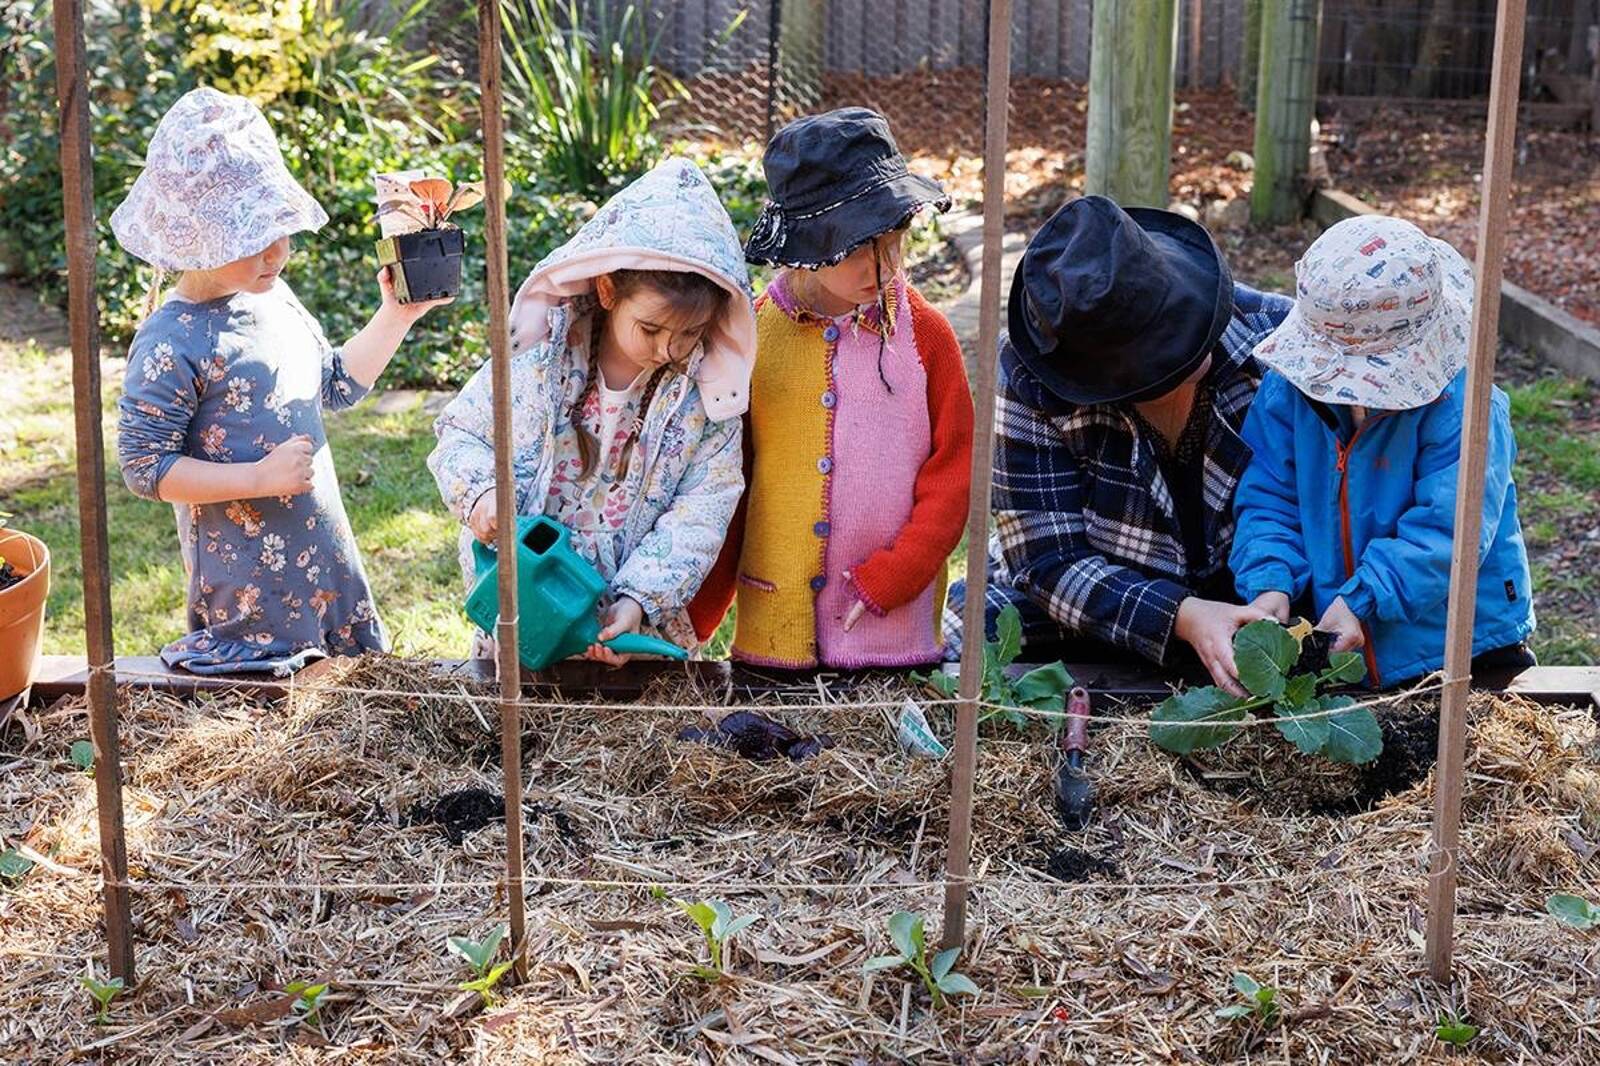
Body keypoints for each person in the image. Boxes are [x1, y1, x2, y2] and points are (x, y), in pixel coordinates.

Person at [114, 88, 449, 675]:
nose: (276, 253)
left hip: (325, 568)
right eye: (252, 240)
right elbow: (145, 468)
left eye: (280, 232)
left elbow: (335, 384)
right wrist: (259, 477)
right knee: (275, 724)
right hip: (251, 594)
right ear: (196, 237)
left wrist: (397, 315)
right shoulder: (171, 340)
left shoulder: (274, 301)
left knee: (347, 719)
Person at [947, 195, 1292, 696]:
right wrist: (1180, 614)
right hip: (1092, 600)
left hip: (1254, 596)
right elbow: (1047, 558)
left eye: (1183, 326)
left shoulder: (1281, 340)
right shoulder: (1032, 374)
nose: (1192, 350)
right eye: (1163, 355)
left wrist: (1272, 595)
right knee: (967, 641)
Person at [429, 157, 755, 664]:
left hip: (623, 629)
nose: (669, 350)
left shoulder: (705, 404)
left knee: (621, 737)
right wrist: (482, 496)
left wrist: (637, 602)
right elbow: (462, 433)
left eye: (689, 334)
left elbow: (700, 512)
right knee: (523, 724)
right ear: (607, 290)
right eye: (650, 329)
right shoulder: (538, 361)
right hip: (526, 606)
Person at [693, 107, 974, 669]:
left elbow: (956, 471)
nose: (887, 265)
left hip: (894, 634)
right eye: (859, 248)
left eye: (897, 241)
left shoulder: (928, 338)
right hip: (774, 632)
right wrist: (695, 617)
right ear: (809, 243)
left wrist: (899, 573)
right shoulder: (753, 336)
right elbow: (725, 481)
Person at [1230, 215, 1535, 687]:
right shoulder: (1287, 393)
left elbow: (1448, 532)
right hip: (1342, 632)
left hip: (1455, 644)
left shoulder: (1466, 410)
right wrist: (1270, 582)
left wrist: (1363, 599)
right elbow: (1269, 496)